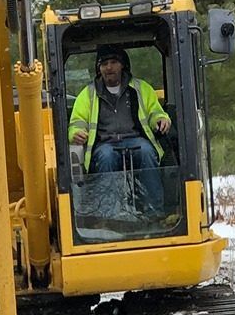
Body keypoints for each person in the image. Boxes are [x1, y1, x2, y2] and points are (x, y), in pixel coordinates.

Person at [69, 46, 174, 218]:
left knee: (147, 152)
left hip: (135, 139)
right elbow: (77, 122)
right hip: (105, 144)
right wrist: (75, 133)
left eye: (114, 62)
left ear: (123, 65)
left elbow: (155, 111)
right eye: (104, 64)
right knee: (106, 157)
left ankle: (154, 211)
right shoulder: (87, 94)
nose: (109, 68)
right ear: (99, 68)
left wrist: (161, 120)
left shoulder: (142, 88)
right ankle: (109, 214)